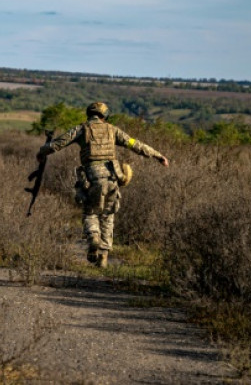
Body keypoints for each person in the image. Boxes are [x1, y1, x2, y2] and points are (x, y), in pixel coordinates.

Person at [37, 102, 168, 268]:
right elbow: (135, 144)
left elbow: (57, 144)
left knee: (90, 212)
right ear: (104, 115)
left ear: (89, 114)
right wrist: (158, 156)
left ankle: (93, 238)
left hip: (91, 178)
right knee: (107, 216)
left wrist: (41, 152)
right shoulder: (113, 130)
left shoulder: (81, 129)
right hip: (113, 178)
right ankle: (103, 258)